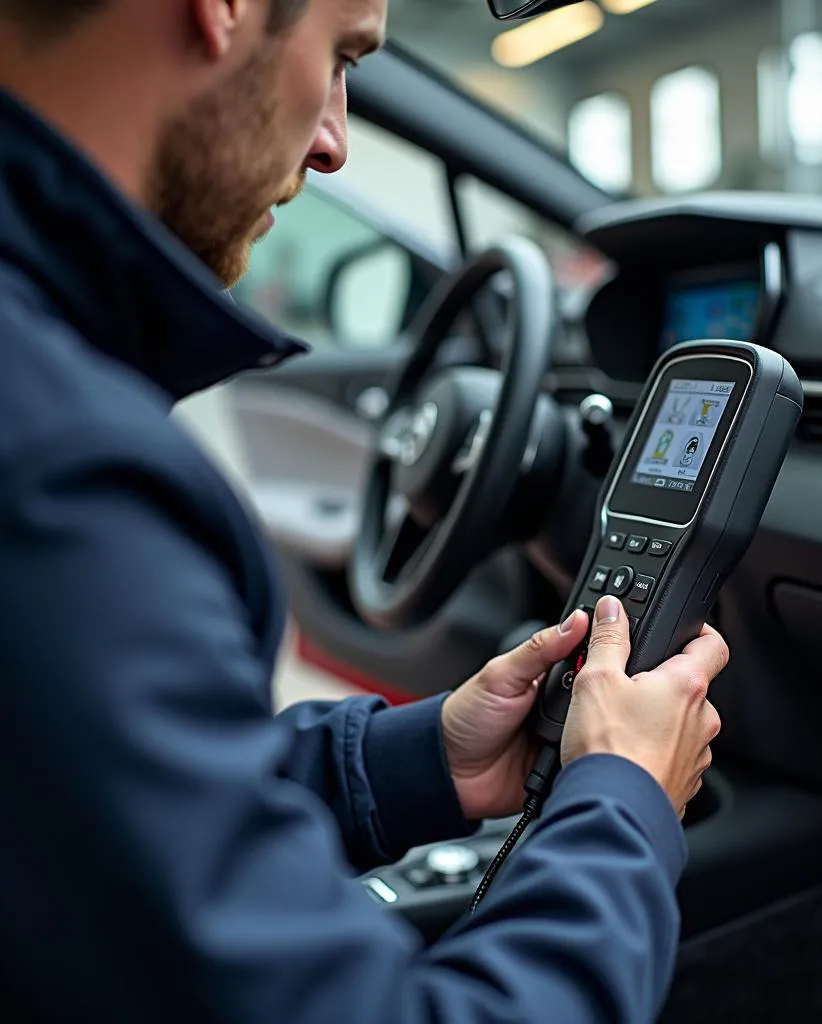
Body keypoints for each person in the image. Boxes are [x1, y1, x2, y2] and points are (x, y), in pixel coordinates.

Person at [0, 1, 728, 1021]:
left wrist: (419, 760)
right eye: (341, 56)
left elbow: (92, 817)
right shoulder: (61, 475)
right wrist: (621, 801)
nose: (336, 140)